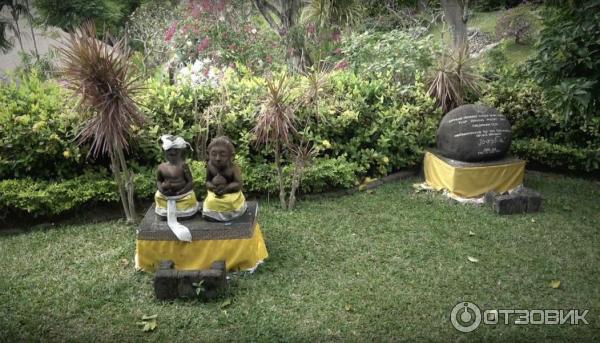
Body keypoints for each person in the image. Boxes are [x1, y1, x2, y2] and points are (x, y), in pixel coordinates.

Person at [202, 136, 247, 221]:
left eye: (223, 155)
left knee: (230, 202)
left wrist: (226, 188)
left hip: (231, 194)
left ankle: (230, 214)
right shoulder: (210, 166)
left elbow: (239, 184)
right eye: (214, 154)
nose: (218, 158)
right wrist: (212, 187)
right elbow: (207, 181)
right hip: (215, 193)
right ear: (208, 155)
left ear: (231, 156)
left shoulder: (233, 168)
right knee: (210, 201)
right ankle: (211, 214)